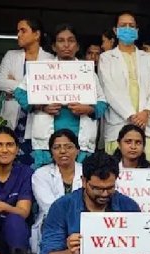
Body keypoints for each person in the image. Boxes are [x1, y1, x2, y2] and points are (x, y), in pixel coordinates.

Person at [14, 23, 108, 168]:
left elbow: (102, 103)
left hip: (80, 143)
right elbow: (19, 93)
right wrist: (42, 106)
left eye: (71, 41)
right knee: (46, 182)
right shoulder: (41, 69)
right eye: (61, 41)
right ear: (53, 46)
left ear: (77, 46)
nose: (66, 45)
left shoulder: (88, 72)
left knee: (79, 183)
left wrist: (88, 109)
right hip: (46, 144)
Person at [99, 11, 150, 167]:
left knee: (149, 175)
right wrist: (131, 115)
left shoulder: (148, 58)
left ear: (137, 30)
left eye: (131, 25)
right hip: (119, 124)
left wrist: (146, 113)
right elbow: (109, 90)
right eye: (123, 25)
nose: (127, 28)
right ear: (115, 30)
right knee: (117, 176)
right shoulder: (106, 58)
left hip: (146, 125)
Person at [0, 18, 54, 165]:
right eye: (18, 31)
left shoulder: (51, 60)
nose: (19, 35)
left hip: (37, 121)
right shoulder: (11, 55)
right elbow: (0, 82)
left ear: (36, 34)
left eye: (23, 30)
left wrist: (15, 88)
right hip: (12, 119)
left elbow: (50, 91)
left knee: (32, 167)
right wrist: (35, 87)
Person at [31, 129, 83, 251]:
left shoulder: (87, 171)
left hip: (83, 225)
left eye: (68, 147)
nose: (63, 151)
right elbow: (49, 207)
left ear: (77, 150)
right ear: (51, 152)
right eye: (57, 147)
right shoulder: (41, 174)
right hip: (52, 224)